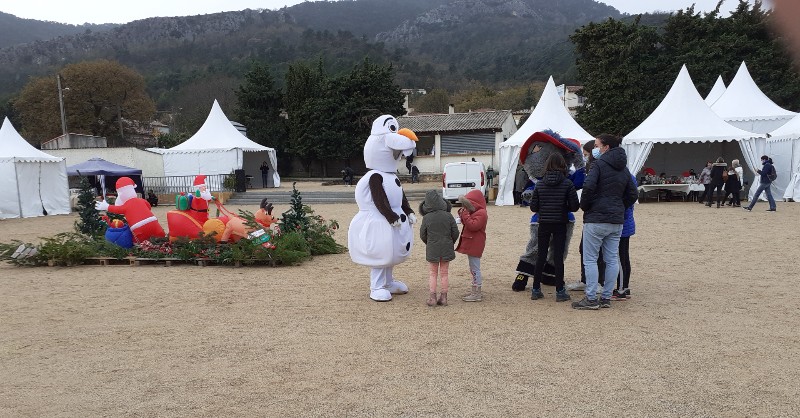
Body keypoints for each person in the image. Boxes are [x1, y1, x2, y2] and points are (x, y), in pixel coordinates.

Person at [573, 134, 637, 310]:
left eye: (597, 145)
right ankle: (607, 296)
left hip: (597, 218)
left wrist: (585, 206)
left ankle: (591, 297)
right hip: (616, 219)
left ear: (606, 147)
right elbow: (633, 194)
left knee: (591, 259)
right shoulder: (623, 169)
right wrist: (619, 206)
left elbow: (588, 187)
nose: (595, 148)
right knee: (611, 258)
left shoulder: (598, 165)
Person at [528, 153, 579, 303]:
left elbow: (533, 207)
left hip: (544, 222)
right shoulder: (567, 183)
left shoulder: (540, 184)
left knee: (541, 256)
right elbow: (575, 207)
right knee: (558, 257)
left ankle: (536, 289)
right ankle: (559, 290)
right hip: (560, 223)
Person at [419, 190, 460, 306]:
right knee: (444, 273)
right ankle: (444, 297)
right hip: (446, 246)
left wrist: (429, 243)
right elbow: (455, 232)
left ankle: (432, 297)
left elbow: (422, 234)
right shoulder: (448, 215)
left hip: (432, 247)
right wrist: (450, 242)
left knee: (432, 273)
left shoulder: (426, 217)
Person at [456, 189, 488, 302]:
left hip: (475, 244)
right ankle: (475, 290)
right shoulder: (477, 212)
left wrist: (465, 214)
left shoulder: (482, 213)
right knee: (473, 268)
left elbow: (473, 226)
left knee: (475, 269)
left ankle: (476, 293)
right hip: (473, 243)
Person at [613, 173, 637, 300]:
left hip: (622, 222)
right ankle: (624, 286)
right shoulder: (629, 176)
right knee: (624, 256)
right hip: (626, 222)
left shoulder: (624, 177)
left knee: (620, 257)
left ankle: (621, 288)